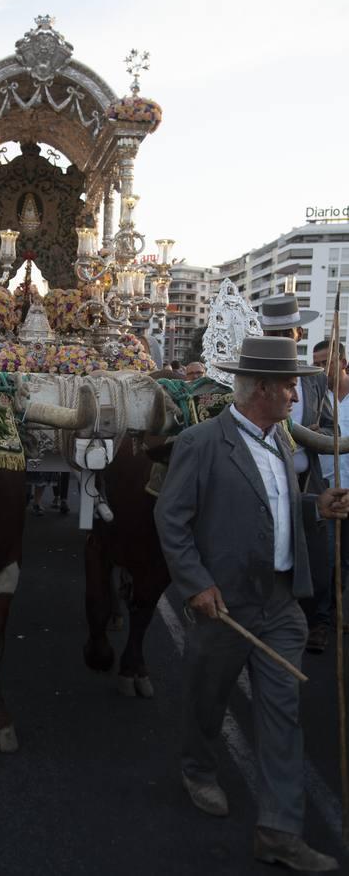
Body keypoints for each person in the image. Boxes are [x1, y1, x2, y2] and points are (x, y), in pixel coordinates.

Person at [155, 336, 347, 872]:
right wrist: (195, 584)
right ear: (261, 387)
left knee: (283, 715)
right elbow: (171, 520)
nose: (296, 392)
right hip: (225, 603)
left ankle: (279, 832)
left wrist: (318, 506)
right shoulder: (201, 442)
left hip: (282, 603)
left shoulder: (282, 441)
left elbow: (278, 507)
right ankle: (197, 767)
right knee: (207, 699)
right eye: (289, 384)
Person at [260, 294, 333, 652]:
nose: (281, 339)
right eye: (272, 334)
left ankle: (317, 622)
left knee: (318, 555)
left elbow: (331, 427)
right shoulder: (254, 379)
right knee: (272, 547)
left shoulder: (315, 379)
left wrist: (321, 435)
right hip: (266, 477)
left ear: (298, 334)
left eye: (285, 333)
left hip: (308, 477)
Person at [312, 338, 349, 638]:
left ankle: (340, 615)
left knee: (346, 559)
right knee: (325, 559)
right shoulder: (314, 398)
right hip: (325, 490)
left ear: (343, 363)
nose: (321, 370)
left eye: (326, 363)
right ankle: (322, 621)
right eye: (317, 364)